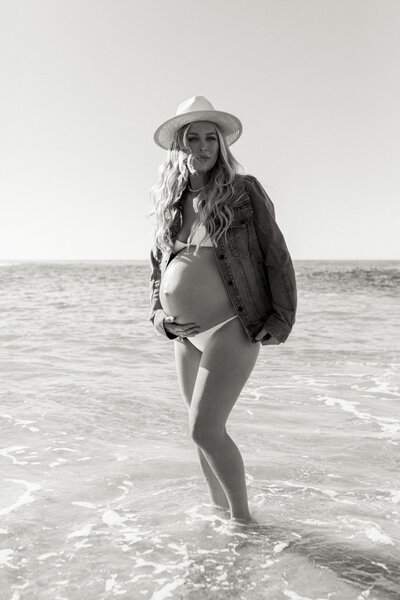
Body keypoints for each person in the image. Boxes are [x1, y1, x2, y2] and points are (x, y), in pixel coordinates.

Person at [150, 96, 297, 523]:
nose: (202, 146)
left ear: (221, 144)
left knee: (205, 429)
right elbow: (157, 273)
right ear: (179, 146)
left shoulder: (242, 191)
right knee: (199, 436)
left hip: (230, 327)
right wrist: (161, 319)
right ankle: (219, 517)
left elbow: (277, 254)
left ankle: (243, 522)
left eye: (210, 138)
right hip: (185, 337)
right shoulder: (172, 204)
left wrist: (281, 317)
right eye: (192, 138)